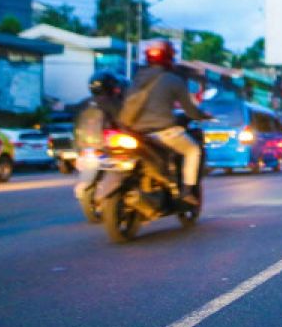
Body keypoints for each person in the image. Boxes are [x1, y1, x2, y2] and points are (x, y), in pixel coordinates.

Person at [119, 40, 208, 206]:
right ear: (169, 57)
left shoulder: (137, 79)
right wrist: (203, 116)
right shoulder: (174, 80)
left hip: (137, 133)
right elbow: (190, 110)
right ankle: (187, 191)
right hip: (164, 133)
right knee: (193, 151)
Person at [73, 71, 127, 203]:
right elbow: (126, 121)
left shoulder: (85, 103)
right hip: (107, 145)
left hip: (86, 145)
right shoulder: (113, 102)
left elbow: (71, 116)